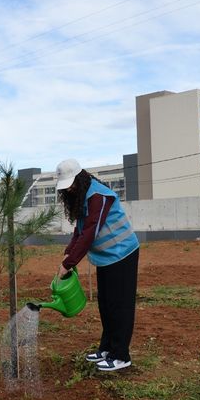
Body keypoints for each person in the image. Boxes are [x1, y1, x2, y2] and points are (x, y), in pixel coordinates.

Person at [55, 159, 140, 372]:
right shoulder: (83, 196)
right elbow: (80, 229)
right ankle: (107, 348)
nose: (70, 189)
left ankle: (121, 355)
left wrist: (70, 262)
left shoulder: (98, 196)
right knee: (106, 302)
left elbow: (91, 230)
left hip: (123, 254)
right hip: (106, 257)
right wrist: (68, 254)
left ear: (80, 177)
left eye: (71, 184)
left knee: (120, 305)